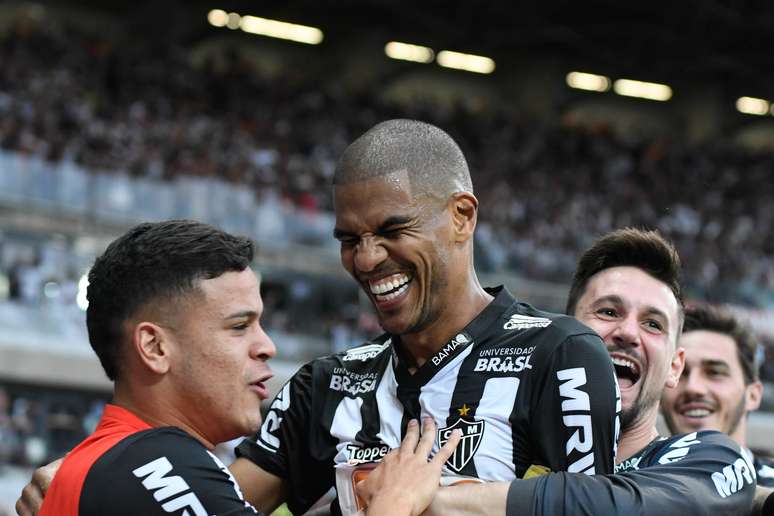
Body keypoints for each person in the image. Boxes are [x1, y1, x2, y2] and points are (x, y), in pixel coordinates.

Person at [229, 118, 619, 515]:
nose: (366, 258)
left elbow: (587, 508)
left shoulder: (559, 357)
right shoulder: (323, 387)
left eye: (393, 230)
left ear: (462, 217)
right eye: (350, 240)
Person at [18, 220, 456, 516]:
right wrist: (393, 504)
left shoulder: (107, 466)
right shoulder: (160, 460)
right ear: (154, 346)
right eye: (239, 326)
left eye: (260, 323)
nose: (266, 346)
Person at [396, 228, 757, 515]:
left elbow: (617, 505)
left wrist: (434, 500)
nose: (628, 333)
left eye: (652, 324)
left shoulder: (710, 458)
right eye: (608, 313)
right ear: (562, 338)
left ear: (673, 367)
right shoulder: (493, 447)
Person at [661, 304, 774, 487]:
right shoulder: (628, 491)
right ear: (659, 398)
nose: (693, 387)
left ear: (752, 395)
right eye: (681, 373)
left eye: (715, 372)